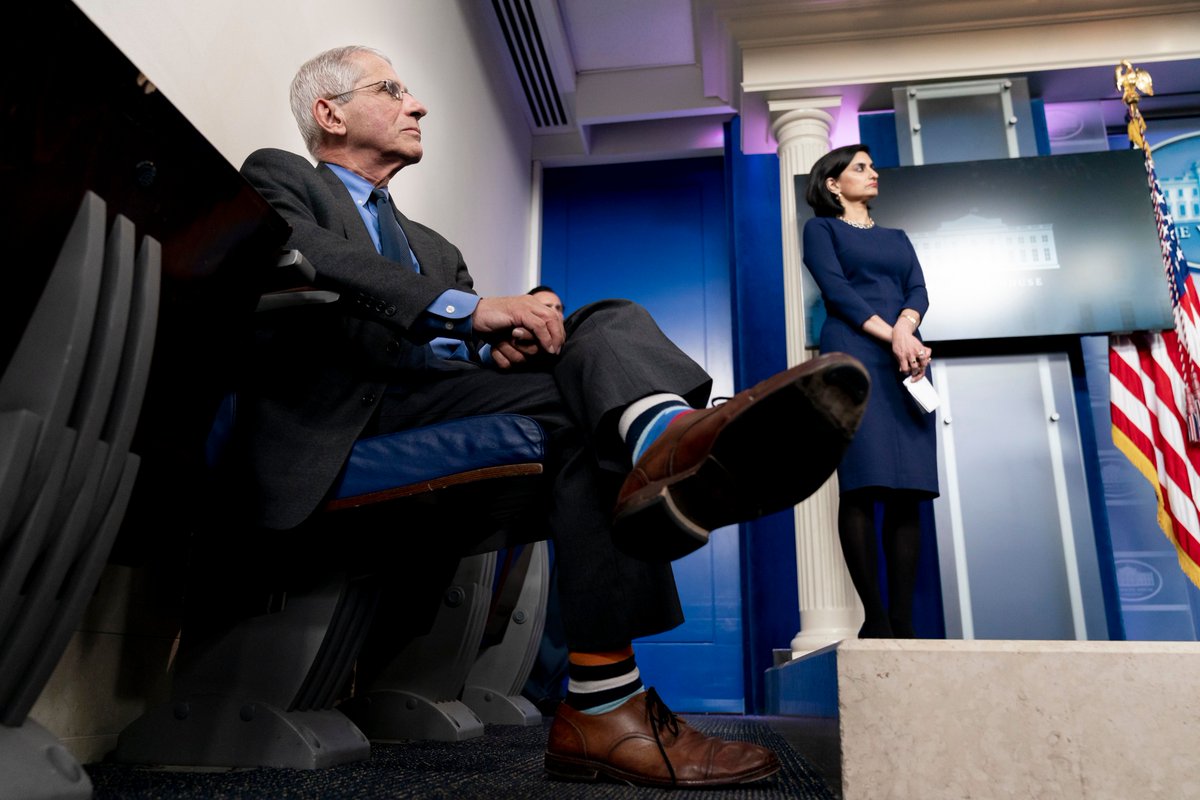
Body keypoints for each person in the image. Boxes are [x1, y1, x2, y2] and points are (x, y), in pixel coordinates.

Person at [237, 45, 869, 788]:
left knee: (604, 327)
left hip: (428, 403)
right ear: (329, 113)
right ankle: (660, 463)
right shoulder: (282, 177)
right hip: (338, 419)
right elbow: (303, 251)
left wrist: (498, 346)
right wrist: (474, 312)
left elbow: (459, 351)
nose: (418, 105)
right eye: (393, 90)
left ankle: (657, 441)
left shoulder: (433, 248)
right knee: (590, 406)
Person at [801, 144, 940, 639]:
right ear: (834, 183)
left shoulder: (897, 237)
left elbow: (918, 289)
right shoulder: (821, 229)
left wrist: (907, 325)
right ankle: (874, 621)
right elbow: (837, 292)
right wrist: (896, 334)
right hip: (854, 361)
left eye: (872, 166)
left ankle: (902, 623)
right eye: (860, 167)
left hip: (906, 364)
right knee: (862, 484)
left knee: (909, 491)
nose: (872, 173)